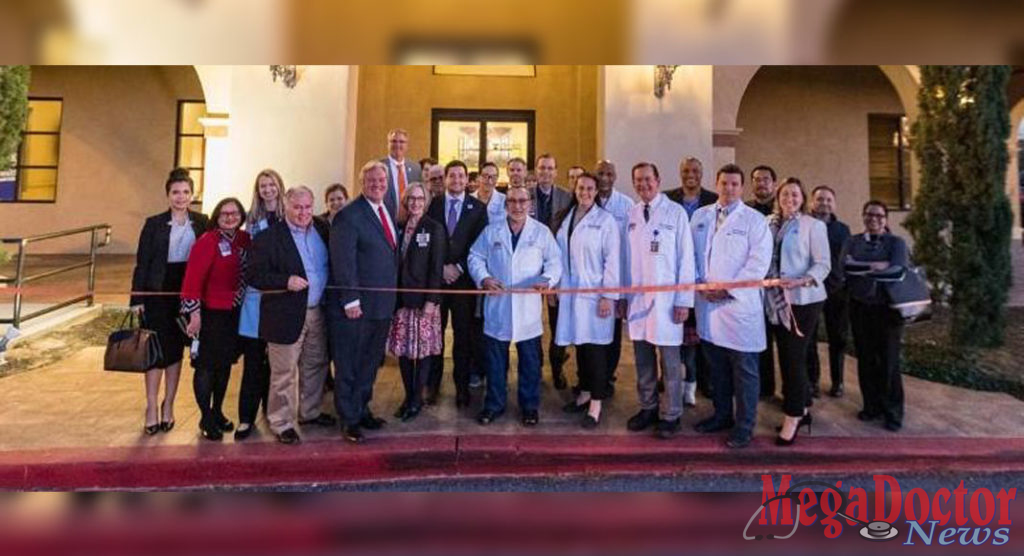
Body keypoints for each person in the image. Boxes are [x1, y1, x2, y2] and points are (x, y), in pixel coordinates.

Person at [691, 163, 772, 449]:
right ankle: (722, 415)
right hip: (708, 307)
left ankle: (745, 425)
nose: (728, 189)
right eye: (724, 183)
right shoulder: (700, 217)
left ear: (742, 187)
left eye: (735, 184)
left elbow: (758, 263)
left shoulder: (754, 221)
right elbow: (692, 256)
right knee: (718, 370)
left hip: (739, 309)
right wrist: (700, 284)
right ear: (717, 183)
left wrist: (727, 289)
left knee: (745, 372)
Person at [246, 186, 334, 445]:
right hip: (285, 313)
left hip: (317, 310)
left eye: (308, 207)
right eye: (297, 207)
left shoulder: (322, 228)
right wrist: (285, 280)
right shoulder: (268, 238)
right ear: (286, 207)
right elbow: (254, 276)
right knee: (284, 372)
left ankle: (309, 412)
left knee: (315, 364)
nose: (303, 212)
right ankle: (281, 421)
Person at [469, 186, 562, 426]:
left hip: (528, 308)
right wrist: (484, 278)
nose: (517, 206)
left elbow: (555, 261)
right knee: (495, 362)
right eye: (512, 201)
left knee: (530, 362)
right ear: (506, 204)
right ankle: (494, 405)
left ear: (530, 204)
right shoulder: (492, 231)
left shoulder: (541, 233)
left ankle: (529, 406)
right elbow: (475, 256)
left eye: (522, 201)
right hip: (498, 306)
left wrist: (548, 279)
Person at [130, 168, 209, 435]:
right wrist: (137, 298)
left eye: (186, 192)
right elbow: (142, 263)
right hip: (157, 293)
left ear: (192, 194)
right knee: (155, 351)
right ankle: (151, 406)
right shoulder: (153, 224)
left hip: (186, 294)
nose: (181, 197)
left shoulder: (201, 221)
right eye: (176, 192)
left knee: (175, 351)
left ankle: (169, 405)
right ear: (168, 195)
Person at [328, 161, 401, 444]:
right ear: (362, 182)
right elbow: (343, 262)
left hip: (381, 305)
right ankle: (348, 419)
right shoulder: (349, 215)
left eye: (382, 180)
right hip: (356, 307)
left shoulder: (386, 210)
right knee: (349, 363)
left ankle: (362, 408)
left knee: (370, 362)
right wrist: (350, 300)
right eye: (371, 181)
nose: (377, 184)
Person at [623, 162, 695, 439]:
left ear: (658, 180)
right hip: (639, 300)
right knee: (642, 360)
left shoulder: (675, 213)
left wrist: (683, 301)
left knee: (670, 362)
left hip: (667, 302)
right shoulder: (631, 214)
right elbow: (628, 259)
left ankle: (672, 413)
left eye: (648, 180)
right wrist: (624, 298)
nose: (644, 185)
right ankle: (648, 407)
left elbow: (686, 259)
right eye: (638, 181)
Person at [763, 178, 830, 446]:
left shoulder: (812, 226)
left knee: (793, 357)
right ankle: (801, 408)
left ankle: (793, 416)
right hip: (775, 298)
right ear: (777, 197)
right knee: (789, 356)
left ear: (802, 198)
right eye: (785, 194)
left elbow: (823, 264)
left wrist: (803, 279)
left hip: (803, 300)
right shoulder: (768, 223)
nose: (789, 198)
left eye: (795, 194)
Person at [180, 197, 251, 441]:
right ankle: (206, 416)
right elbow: (192, 280)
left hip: (233, 313)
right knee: (206, 367)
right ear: (216, 217)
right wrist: (194, 313)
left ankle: (218, 410)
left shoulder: (243, 240)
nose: (230, 217)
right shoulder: (207, 241)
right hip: (210, 314)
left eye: (234, 213)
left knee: (224, 366)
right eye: (224, 214)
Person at [554, 172, 620, 428]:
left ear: (597, 191)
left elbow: (612, 261)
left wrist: (607, 296)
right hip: (572, 294)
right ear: (575, 189)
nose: (585, 192)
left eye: (590, 189)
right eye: (581, 188)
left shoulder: (606, 221)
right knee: (580, 345)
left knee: (596, 350)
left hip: (595, 295)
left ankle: (596, 402)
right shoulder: (567, 217)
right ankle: (583, 392)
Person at [425, 160, 488, 407]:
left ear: (467, 179)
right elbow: (428, 241)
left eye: (462, 176)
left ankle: (462, 388)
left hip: (463, 284)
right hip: (438, 283)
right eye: (453, 176)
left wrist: (459, 267)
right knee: (435, 336)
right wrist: (440, 268)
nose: (457, 180)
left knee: (464, 338)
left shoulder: (477, 208)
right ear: (446, 179)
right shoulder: (434, 205)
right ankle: (432, 385)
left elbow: (479, 245)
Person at [844, 200, 909, 432]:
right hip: (860, 307)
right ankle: (871, 406)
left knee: (889, 361)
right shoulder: (853, 241)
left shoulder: (896, 243)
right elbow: (845, 268)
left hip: (888, 309)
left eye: (879, 216)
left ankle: (893, 412)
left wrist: (862, 266)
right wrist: (877, 266)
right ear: (863, 217)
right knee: (866, 359)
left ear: (886, 219)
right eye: (870, 215)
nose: (874, 219)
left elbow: (897, 270)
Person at [387, 183, 446, 421]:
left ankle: (417, 399)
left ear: (427, 200)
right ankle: (408, 395)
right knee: (403, 351)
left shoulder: (433, 228)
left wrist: (432, 300)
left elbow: (436, 268)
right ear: (405, 201)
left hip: (423, 302)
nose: (415, 203)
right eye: (411, 198)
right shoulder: (398, 227)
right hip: (401, 300)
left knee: (422, 352)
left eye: (420, 198)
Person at [235, 169, 285, 440]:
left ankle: (273, 410)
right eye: (263, 186)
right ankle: (245, 417)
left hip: (282, 295)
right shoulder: (252, 219)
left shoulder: (288, 216)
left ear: (279, 186)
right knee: (254, 360)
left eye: (271, 184)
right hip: (256, 295)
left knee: (278, 362)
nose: (267, 190)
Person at [666, 156, 720, 402]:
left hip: (703, 276)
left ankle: (701, 381)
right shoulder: (667, 199)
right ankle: (668, 377)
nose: (691, 174)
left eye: (695, 170)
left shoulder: (713, 200)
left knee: (700, 335)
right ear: (680, 173)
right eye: (686, 170)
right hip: (672, 277)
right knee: (670, 332)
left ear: (701, 173)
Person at [530, 153, 572, 389]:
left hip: (556, 267)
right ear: (536, 171)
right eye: (542, 168)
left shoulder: (566, 197)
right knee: (533, 320)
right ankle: (535, 367)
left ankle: (557, 368)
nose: (545, 172)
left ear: (556, 172)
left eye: (550, 168)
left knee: (558, 322)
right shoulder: (527, 197)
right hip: (529, 267)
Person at [806, 185, 851, 398]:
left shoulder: (842, 230)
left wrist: (836, 284)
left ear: (834, 204)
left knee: (838, 338)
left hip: (836, 291)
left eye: (828, 200)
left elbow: (842, 261)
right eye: (820, 199)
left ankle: (838, 381)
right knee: (810, 338)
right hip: (812, 290)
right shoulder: (805, 226)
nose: (824, 203)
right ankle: (812, 382)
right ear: (812, 203)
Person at [594, 160, 634, 389]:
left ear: (616, 176)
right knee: (592, 333)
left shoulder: (626, 205)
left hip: (616, 281)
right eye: (600, 173)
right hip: (590, 280)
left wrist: (623, 292)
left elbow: (629, 251)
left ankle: (608, 376)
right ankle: (590, 376)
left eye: (609, 173)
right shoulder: (587, 202)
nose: (605, 178)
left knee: (613, 333)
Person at [748, 164, 778, 399]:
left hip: (782, 286)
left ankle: (803, 390)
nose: (761, 183)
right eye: (757, 180)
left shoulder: (784, 209)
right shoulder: (746, 211)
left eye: (766, 179)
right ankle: (764, 388)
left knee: (792, 345)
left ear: (774, 184)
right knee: (761, 337)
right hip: (756, 286)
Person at [380, 128, 422, 219]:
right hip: (386, 220)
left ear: (407, 146)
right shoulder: (379, 167)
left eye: (401, 142)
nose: (397, 145)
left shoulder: (415, 168)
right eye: (393, 141)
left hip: (410, 222)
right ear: (388, 144)